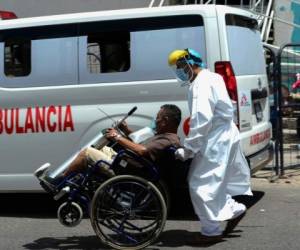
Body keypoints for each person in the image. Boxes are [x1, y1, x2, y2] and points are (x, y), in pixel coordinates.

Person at [168, 48, 253, 243]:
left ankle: (211, 232)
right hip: (223, 136)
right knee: (213, 182)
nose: (179, 71)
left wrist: (188, 149)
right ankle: (234, 210)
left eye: (180, 66)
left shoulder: (200, 85)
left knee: (201, 184)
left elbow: (201, 120)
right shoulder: (213, 77)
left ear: (190, 63)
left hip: (215, 139)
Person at [38, 104, 181, 189]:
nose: (155, 120)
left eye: (158, 117)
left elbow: (142, 150)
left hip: (128, 169)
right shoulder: (165, 136)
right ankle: (73, 178)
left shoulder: (167, 139)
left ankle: (59, 182)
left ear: (165, 121)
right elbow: (140, 145)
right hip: (128, 162)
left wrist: (117, 137)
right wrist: (125, 131)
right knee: (102, 147)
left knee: (87, 152)